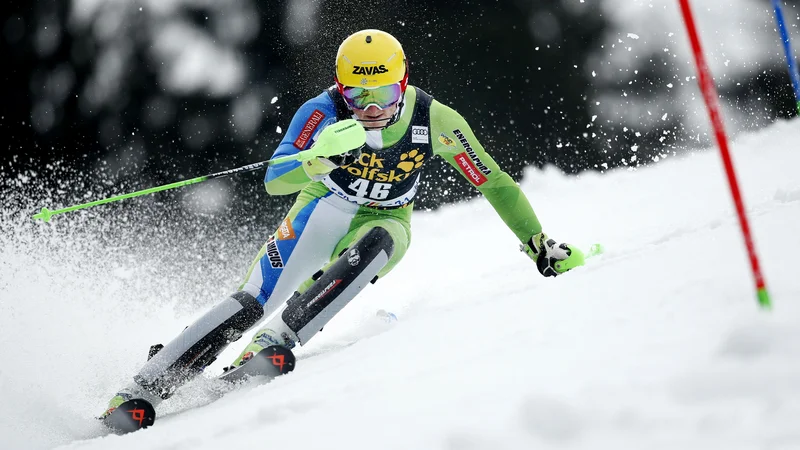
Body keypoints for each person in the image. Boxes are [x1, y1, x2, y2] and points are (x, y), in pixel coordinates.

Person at [101, 29, 584, 421]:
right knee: (251, 300)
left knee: (377, 243)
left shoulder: (433, 118)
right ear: (339, 87)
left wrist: (536, 244)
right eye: (357, 95)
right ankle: (142, 386)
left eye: (384, 94)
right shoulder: (321, 112)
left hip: (385, 218)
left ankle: (277, 340)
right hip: (319, 211)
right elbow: (274, 180)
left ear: (404, 82)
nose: (371, 109)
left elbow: (493, 182)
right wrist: (314, 159)